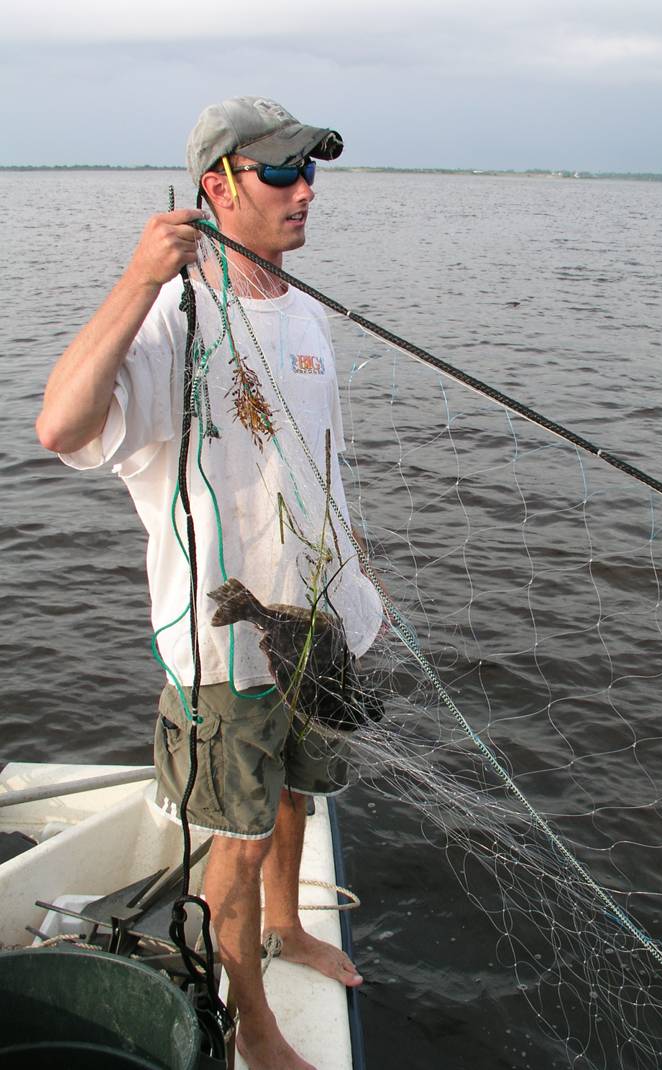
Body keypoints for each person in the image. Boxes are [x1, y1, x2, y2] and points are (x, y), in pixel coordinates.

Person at [36, 96, 384, 1070]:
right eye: (280, 171)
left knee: (296, 795)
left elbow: (322, 468)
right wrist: (138, 276)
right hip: (223, 646)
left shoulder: (307, 311)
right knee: (230, 838)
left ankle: (289, 925)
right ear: (217, 184)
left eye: (310, 168)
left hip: (315, 626)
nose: (303, 188)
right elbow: (60, 427)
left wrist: (357, 581)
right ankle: (256, 1024)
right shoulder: (165, 321)